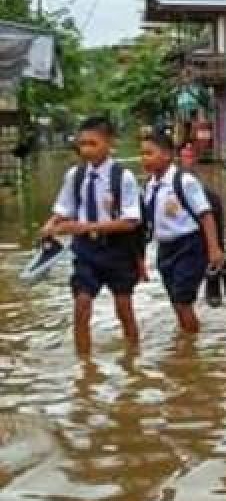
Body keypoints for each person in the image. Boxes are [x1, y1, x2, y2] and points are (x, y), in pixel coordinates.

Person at [40, 116, 143, 357]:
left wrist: (82, 227)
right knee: (82, 305)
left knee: (123, 308)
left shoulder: (123, 178)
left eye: (92, 144)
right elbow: (63, 209)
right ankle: (84, 366)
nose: (86, 150)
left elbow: (130, 221)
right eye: (82, 144)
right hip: (86, 251)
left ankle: (133, 358)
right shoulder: (74, 176)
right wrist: (50, 225)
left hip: (117, 250)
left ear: (109, 143)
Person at [140, 132, 226, 334]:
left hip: (190, 246)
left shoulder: (184, 181)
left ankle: (191, 347)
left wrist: (214, 249)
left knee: (182, 300)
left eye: (149, 153)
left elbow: (205, 215)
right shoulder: (149, 187)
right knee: (176, 302)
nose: (144, 158)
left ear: (167, 155)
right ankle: (188, 338)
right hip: (165, 250)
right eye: (142, 154)